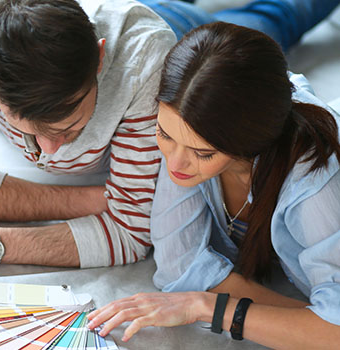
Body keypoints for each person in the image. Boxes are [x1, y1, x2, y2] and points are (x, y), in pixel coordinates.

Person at [0, 0, 339, 281]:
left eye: (70, 127)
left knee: (271, 20)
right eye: (27, 131)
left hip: (181, 47)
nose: (48, 154)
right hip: (96, 19)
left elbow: (133, 235)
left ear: (98, 61)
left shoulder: (145, 62)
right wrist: (104, 199)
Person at [86, 22, 340, 348]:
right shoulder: (189, 123)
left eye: (203, 153)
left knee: (284, 12)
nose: (174, 164)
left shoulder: (317, 185)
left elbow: (333, 332)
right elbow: (178, 267)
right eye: (164, 135)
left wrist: (206, 306)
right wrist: (307, 322)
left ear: (251, 143)